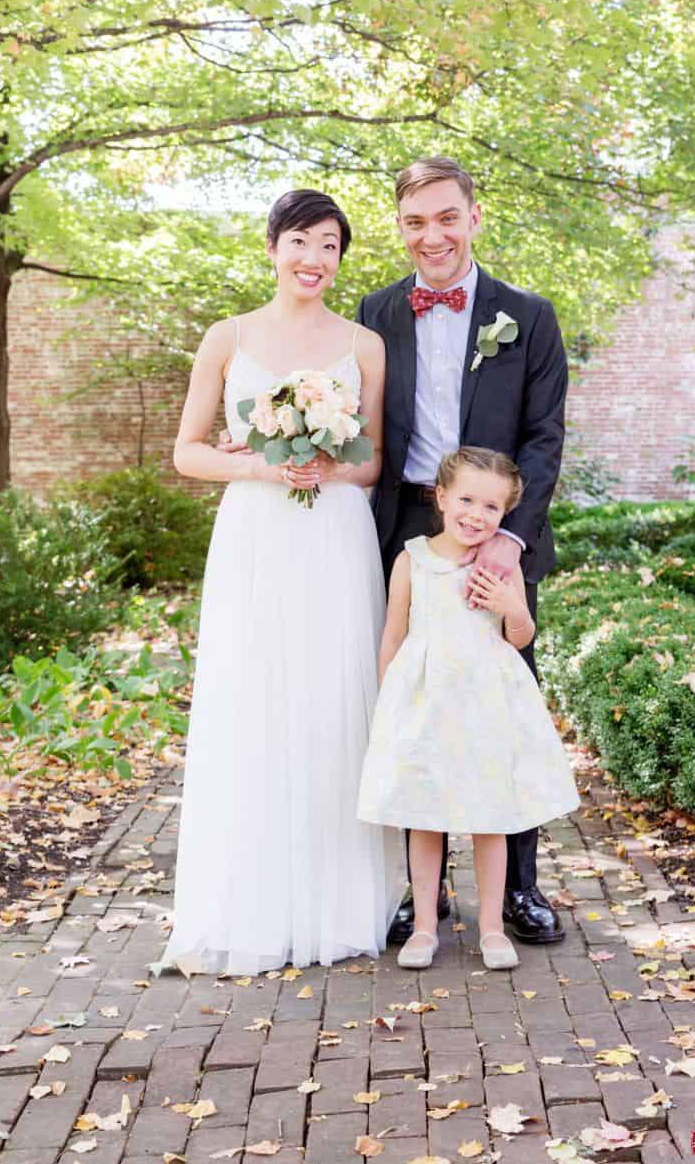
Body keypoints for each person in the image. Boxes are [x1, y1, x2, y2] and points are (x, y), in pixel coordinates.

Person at [162, 189, 404, 975]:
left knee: (334, 703)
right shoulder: (226, 338)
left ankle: (342, 902)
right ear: (272, 246)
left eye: (330, 245)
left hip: (334, 536)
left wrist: (332, 462)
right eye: (300, 240)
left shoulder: (364, 344)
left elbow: (373, 461)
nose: (314, 259)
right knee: (255, 699)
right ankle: (252, 902)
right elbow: (188, 452)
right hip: (256, 537)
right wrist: (263, 463)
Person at [356, 156, 569, 945]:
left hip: (494, 529)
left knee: (498, 708)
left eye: (447, 217)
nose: (432, 234)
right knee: (418, 707)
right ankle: (424, 895)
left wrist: (510, 540)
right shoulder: (375, 312)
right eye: (415, 221)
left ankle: (518, 890)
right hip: (406, 528)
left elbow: (543, 439)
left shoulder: (528, 315)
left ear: (474, 217)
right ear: (401, 227)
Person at [357, 447, 579, 970]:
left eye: (492, 508)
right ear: (440, 497)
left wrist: (511, 607)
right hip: (426, 702)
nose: (476, 516)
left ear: (505, 516)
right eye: (467, 500)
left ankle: (492, 929)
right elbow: (394, 634)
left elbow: (520, 633)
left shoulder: (499, 566)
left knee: (489, 816)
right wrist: (389, 702)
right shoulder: (412, 559)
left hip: (484, 702)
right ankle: (426, 928)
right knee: (426, 815)